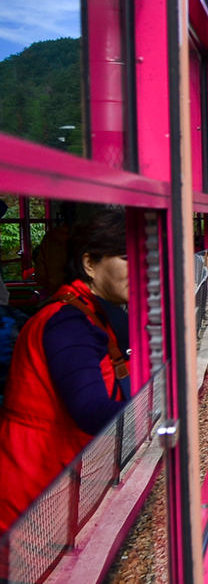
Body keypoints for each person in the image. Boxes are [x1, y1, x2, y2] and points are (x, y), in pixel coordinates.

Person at [0, 209, 131, 533]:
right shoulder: (69, 324)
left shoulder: (84, 312)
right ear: (89, 264)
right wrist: (162, 411)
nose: (144, 270)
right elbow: (89, 410)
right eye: (128, 258)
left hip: (48, 490)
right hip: (34, 499)